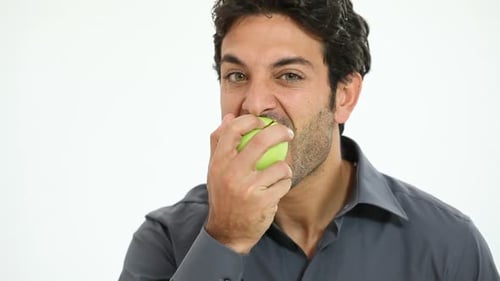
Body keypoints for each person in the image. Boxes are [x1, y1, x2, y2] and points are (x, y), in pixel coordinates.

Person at [118, 0, 499, 280]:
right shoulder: (166, 240)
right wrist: (225, 239)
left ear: (344, 96)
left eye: (289, 76)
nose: (255, 103)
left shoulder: (448, 245)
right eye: (236, 76)